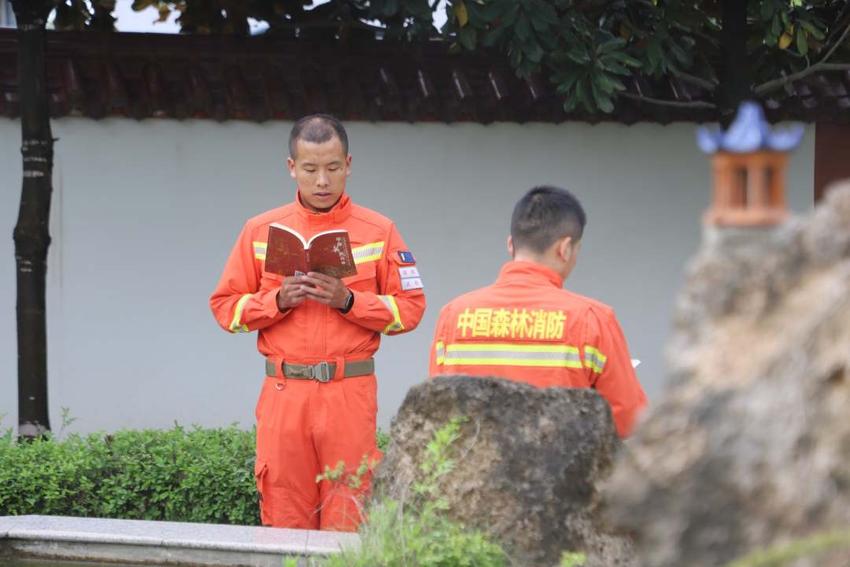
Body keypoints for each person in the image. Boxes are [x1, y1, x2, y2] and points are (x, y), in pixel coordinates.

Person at [210, 114, 426, 531]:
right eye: (310, 169)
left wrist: (350, 301)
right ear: (292, 167)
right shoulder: (259, 231)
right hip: (284, 392)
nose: (322, 181)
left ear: (349, 164)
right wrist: (275, 301)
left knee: (349, 510)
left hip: (349, 392)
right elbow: (225, 309)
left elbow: (411, 310)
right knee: (285, 513)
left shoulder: (379, 231)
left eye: (332, 168)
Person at [428, 186, 646, 437]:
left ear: (511, 245)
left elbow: (436, 408)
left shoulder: (453, 315)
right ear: (565, 248)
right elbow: (629, 418)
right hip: (559, 472)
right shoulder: (592, 319)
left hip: (470, 471)